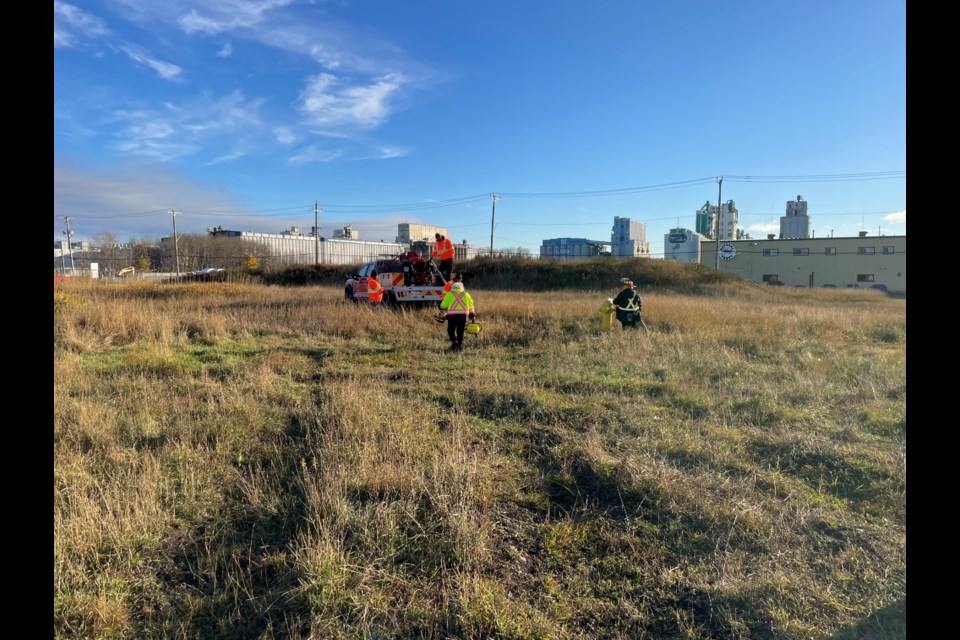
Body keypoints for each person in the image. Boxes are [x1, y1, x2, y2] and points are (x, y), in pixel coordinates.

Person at [439, 281, 475, 351]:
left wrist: (441, 306)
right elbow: (471, 306)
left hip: (452, 316)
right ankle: (459, 344)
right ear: (461, 288)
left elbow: (443, 306)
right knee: (460, 330)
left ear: (453, 288)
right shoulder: (466, 294)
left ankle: (454, 342)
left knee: (450, 329)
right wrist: (472, 315)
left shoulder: (449, 294)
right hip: (463, 316)